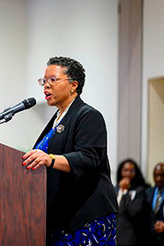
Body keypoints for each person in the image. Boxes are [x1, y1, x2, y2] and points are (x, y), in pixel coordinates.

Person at [22, 56, 118, 245]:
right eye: (44, 81)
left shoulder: (88, 116)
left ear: (73, 84)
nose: (46, 86)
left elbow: (89, 158)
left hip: (87, 216)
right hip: (60, 217)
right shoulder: (56, 120)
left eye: (53, 80)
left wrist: (49, 159)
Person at [115, 158, 152, 246]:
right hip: (113, 236)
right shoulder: (115, 189)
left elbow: (133, 212)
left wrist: (125, 191)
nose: (128, 173)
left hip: (129, 238)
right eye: (125, 170)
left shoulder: (139, 191)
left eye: (131, 170)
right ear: (121, 172)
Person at [150, 162, 164, 245]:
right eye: (156, 175)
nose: (159, 178)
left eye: (162, 175)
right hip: (151, 238)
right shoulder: (148, 191)